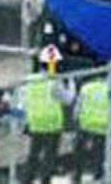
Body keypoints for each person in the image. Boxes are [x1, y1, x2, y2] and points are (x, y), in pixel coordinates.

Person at [17, 45, 76, 184]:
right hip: (52, 123)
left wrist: (23, 121)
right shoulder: (54, 81)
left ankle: (28, 179)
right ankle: (45, 180)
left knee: (33, 153)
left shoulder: (29, 80)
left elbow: (21, 102)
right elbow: (68, 99)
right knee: (49, 155)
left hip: (35, 121)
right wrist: (71, 82)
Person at [72, 76, 111, 183]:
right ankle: (98, 175)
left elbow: (78, 105)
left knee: (80, 151)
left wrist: (75, 118)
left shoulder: (86, 88)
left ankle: (77, 174)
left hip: (86, 124)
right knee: (100, 153)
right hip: (103, 126)